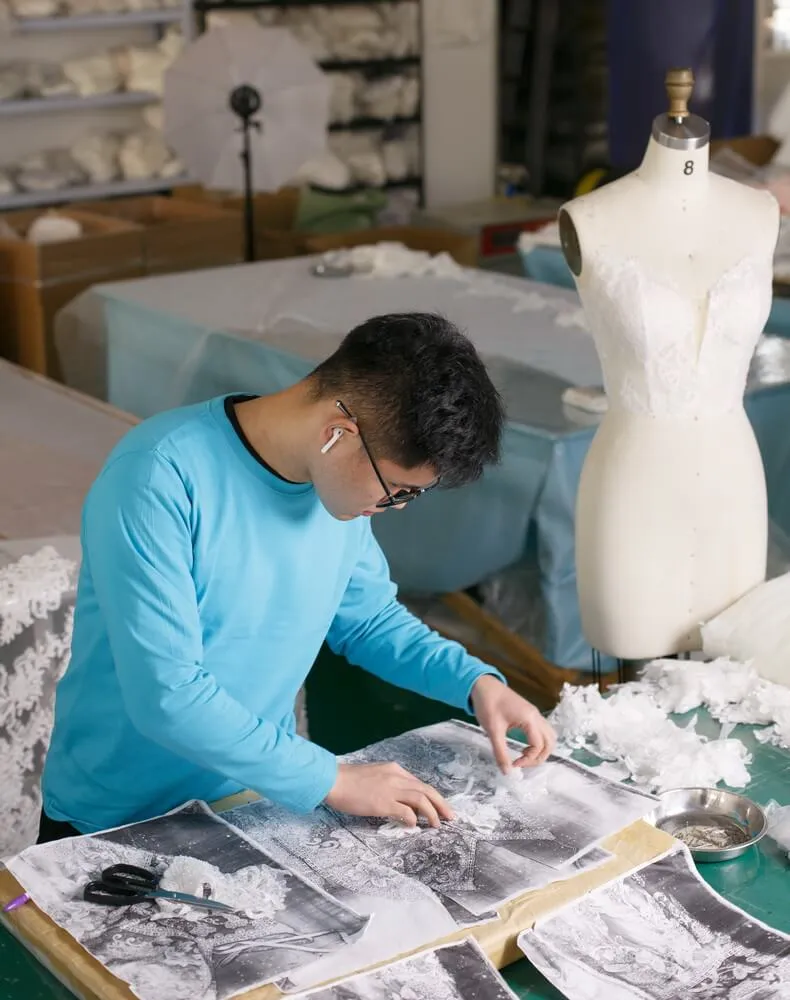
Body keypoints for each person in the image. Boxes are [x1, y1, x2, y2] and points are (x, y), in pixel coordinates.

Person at [40, 312, 556, 842]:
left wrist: (475, 682)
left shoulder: (334, 491)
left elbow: (368, 620)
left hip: (251, 797)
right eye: (397, 488)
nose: (395, 507)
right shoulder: (157, 475)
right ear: (338, 434)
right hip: (116, 815)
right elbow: (166, 694)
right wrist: (329, 777)